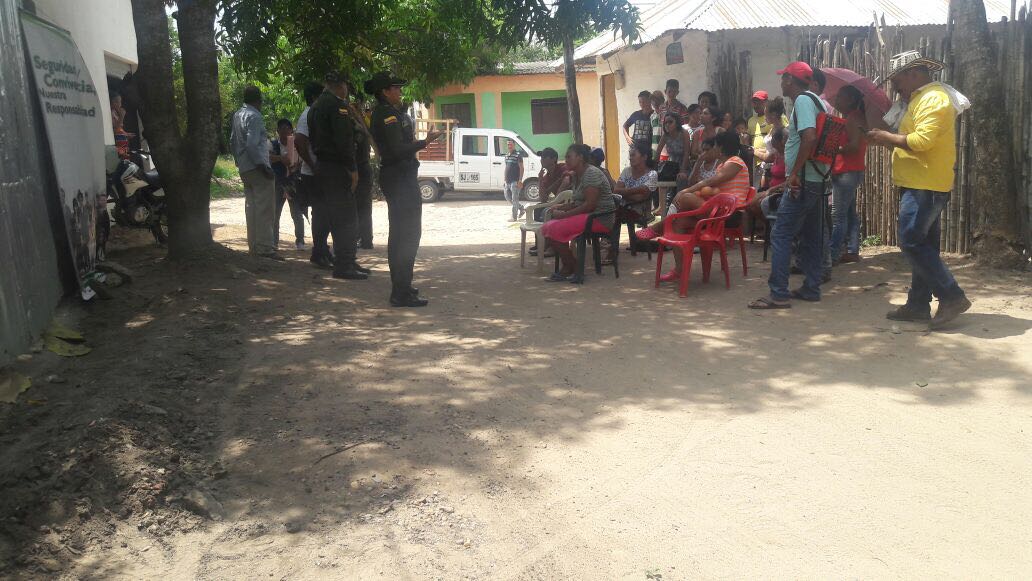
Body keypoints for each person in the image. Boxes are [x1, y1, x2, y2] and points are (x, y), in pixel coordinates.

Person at [867, 51, 970, 328]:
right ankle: (918, 304)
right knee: (924, 246)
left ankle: (952, 295)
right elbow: (911, 140)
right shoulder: (919, 99)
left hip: (925, 185)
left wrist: (887, 136)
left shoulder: (933, 99)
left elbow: (922, 142)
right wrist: (888, 139)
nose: (895, 87)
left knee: (912, 242)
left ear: (913, 74)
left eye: (898, 81)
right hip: (921, 182)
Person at [749, 61, 828, 309]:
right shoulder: (817, 101)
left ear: (790, 80)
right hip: (816, 178)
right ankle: (811, 287)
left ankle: (778, 293)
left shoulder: (803, 101)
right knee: (812, 236)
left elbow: (809, 137)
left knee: (781, 233)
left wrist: (793, 174)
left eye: (783, 77)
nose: (781, 82)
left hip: (803, 180)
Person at [368, 71, 443, 307]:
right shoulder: (387, 115)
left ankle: (403, 286)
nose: (400, 91)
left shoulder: (391, 113)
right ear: (384, 92)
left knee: (405, 233)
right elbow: (397, 149)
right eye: (396, 88)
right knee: (406, 234)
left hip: (401, 176)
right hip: (399, 177)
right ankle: (400, 291)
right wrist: (425, 142)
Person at [637, 130, 749, 281]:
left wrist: (687, 191)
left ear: (721, 148)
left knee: (685, 197)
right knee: (677, 223)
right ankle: (679, 269)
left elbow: (711, 182)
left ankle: (658, 228)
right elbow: (711, 189)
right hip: (717, 212)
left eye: (714, 146)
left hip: (729, 215)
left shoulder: (735, 162)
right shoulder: (723, 165)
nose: (712, 149)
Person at [309, 71, 367, 280]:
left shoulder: (315, 106)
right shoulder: (337, 106)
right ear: (341, 86)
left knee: (330, 216)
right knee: (346, 219)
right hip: (337, 168)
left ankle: (346, 260)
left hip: (322, 166)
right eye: (346, 86)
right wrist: (352, 169)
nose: (347, 90)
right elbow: (343, 141)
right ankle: (345, 264)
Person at [540, 143, 616, 283]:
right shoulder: (576, 175)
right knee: (547, 227)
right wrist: (562, 207)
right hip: (587, 215)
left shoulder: (591, 173)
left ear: (580, 157)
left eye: (569, 157)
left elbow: (590, 205)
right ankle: (571, 265)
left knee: (553, 228)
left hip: (599, 218)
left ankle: (572, 267)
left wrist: (564, 215)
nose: (566, 160)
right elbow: (579, 202)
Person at [230, 85, 281, 260]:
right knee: (265, 210)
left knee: (251, 208)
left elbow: (232, 140)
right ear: (259, 100)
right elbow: (252, 145)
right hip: (257, 167)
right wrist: (262, 166)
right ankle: (265, 248)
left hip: (245, 168)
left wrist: (238, 161)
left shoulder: (238, 115)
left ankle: (254, 246)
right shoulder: (255, 116)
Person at [830, 85, 868, 265]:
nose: (836, 100)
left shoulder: (853, 118)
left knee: (838, 216)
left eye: (840, 96)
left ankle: (833, 254)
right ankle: (852, 250)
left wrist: (835, 149)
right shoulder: (855, 117)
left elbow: (854, 146)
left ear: (851, 100)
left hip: (847, 171)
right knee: (850, 213)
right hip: (851, 170)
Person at [294, 81, 328, 267]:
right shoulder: (308, 115)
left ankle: (322, 250)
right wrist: (313, 165)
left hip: (318, 171)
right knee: (321, 213)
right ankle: (319, 252)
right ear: (315, 97)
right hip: (313, 173)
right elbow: (299, 141)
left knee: (324, 213)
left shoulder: (316, 114)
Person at [527, 147, 570, 258]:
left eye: (545, 157)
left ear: (554, 159)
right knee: (538, 208)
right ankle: (541, 243)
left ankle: (552, 247)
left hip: (568, 203)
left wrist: (557, 199)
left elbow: (567, 181)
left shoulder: (562, 168)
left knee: (548, 211)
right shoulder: (547, 177)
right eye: (541, 157)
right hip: (557, 203)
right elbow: (543, 199)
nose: (542, 160)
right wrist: (540, 180)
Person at [270, 118, 306, 250]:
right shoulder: (273, 144)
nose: (285, 132)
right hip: (278, 182)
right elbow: (268, 157)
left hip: (293, 182)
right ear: (278, 131)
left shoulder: (296, 145)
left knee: (297, 213)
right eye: (282, 129)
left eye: (287, 129)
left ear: (291, 131)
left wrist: (297, 164)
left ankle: (300, 241)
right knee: (275, 213)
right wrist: (281, 159)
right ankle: (274, 242)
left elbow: (303, 159)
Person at [349, 86, 376, 250]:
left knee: (359, 206)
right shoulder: (364, 126)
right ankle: (366, 239)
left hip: (358, 169)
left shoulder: (357, 128)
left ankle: (363, 238)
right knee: (364, 207)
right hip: (364, 167)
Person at [655, 112, 691, 203]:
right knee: (654, 179)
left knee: (681, 179)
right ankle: (662, 206)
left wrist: (682, 170)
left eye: (670, 122)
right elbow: (657, 153)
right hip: (672, 166)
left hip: (685, 165)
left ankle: (679, 204)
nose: (667, 125)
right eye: (665, 123)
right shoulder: (665, 136)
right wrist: (654, 169)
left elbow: (687, 153)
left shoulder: (684, 133)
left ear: (677, 123)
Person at [503, 139, 525, 222]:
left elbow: (521, 168)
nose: (509, 146)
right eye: (508, 144)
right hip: (507, 181)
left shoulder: (518, 155)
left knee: (514, 199)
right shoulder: (506, 155)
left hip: (515, 181)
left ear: (514, 145)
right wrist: (504, 179)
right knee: (508, 197)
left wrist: (520, 180)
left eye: (511, 144)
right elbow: (506, 168)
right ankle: (521, 208)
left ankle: (514, 217)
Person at [649, 90, 665, 159]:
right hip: (655, 148)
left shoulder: (666, 113)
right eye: (653, 100)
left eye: (657, 100)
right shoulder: (652, 116)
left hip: (665, 149)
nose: (655, 102)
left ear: (662, 101)